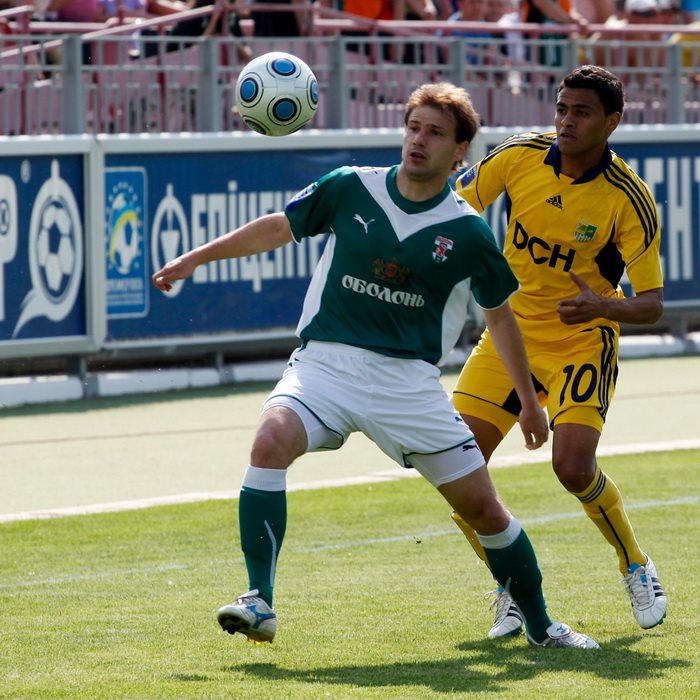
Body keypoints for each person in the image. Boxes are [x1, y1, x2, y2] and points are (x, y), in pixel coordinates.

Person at [152, 82, 599, 650]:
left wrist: (530, 405)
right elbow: (279, 226)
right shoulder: (350, 187)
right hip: (326, 365)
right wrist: (195, 258)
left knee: (484, 510)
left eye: (435, 133)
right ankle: (259, 600)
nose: (419, 141)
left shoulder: (467, 231)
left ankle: (541, 626)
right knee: (268, 442)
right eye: (413, 128)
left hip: (408, 385)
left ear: (460, 150)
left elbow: (501, 318)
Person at [452, 65, 668, 639]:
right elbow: (451, 205)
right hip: (510, 335)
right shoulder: (518, 155)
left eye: (582, 112)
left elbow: (651, 305)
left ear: (612, 122)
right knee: (456, 471)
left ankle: (635, 564)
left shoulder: (629, 197)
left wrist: (601, 307)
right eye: (562, 108)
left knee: (572, 468)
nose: (567, 121)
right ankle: (512, 589)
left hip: (581, 340)